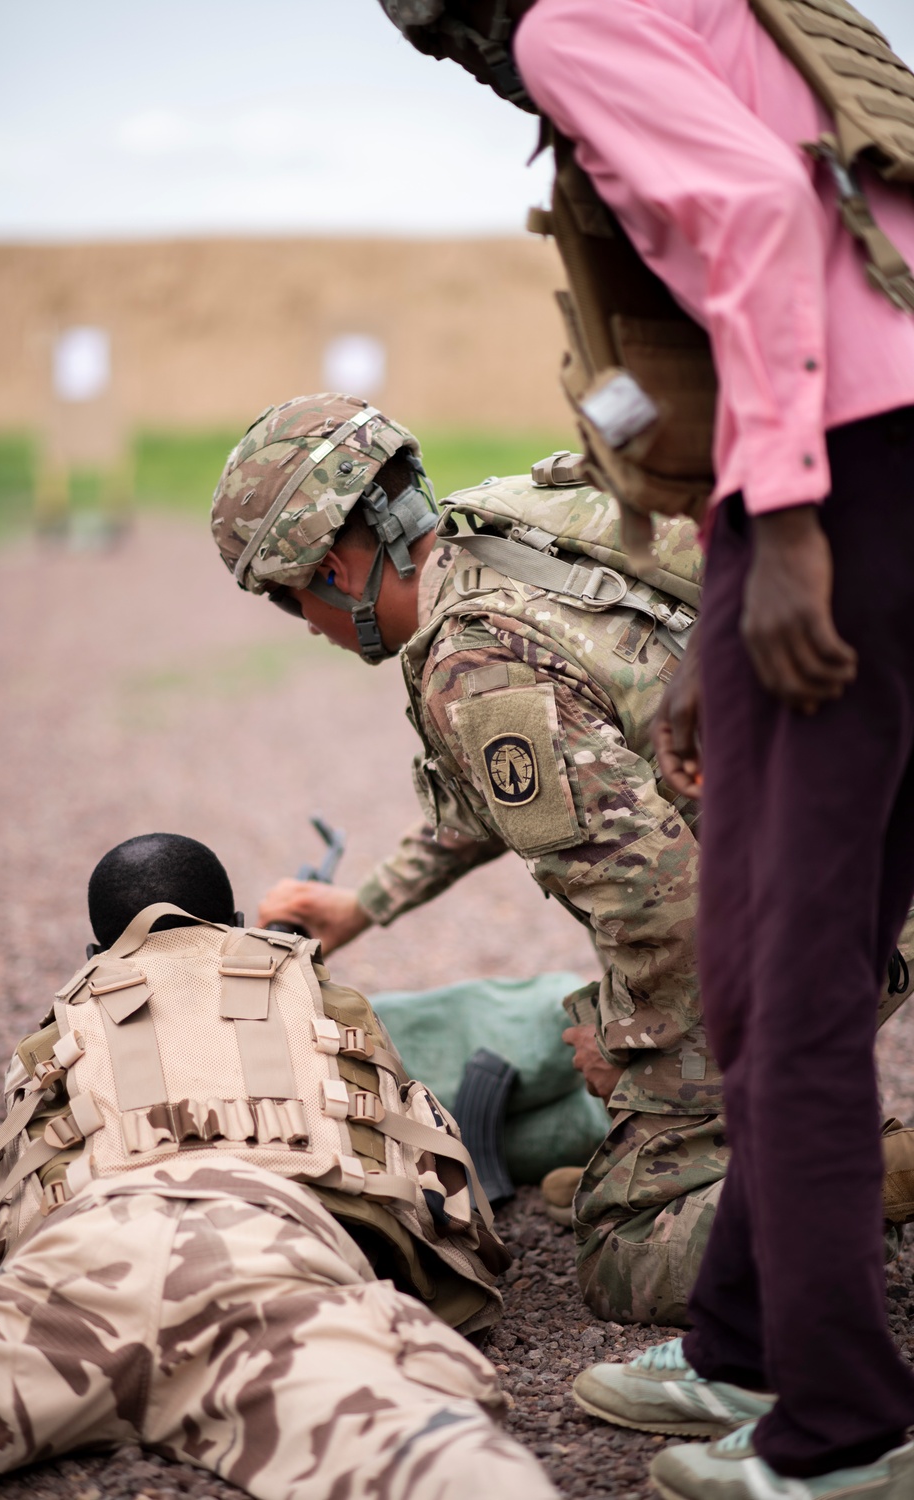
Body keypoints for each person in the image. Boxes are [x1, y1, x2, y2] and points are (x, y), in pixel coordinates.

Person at [373, 3, 914, 1496]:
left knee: (777, 986)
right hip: (863, 464)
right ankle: (746, 1340)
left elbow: (750, 216)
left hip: (849, 470)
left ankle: (843, 1431)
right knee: (824, 950)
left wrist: (789, 522)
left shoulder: (568, 19)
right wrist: (726, 593)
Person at [210, 393, 914, 1338]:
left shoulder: (472, 666)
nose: (308, 626)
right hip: (877, 821)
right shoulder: (510, 524)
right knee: (641, 1141)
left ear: (335, 568)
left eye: (295, 599)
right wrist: (364, 905)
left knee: (620, 1250)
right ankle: (736, 1155)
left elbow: (669, 918)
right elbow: (494, 796)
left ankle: (855, 1192)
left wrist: (615, 1041)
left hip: (855, 910)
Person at [0, 832, 555, 1500]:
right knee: (459, 1470)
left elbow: (3, 1203)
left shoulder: (59, 1033)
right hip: (269, 1259)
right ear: (239, 925)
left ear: (94, 954)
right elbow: (415, 1172)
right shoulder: (325, 998)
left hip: (79, 1264)